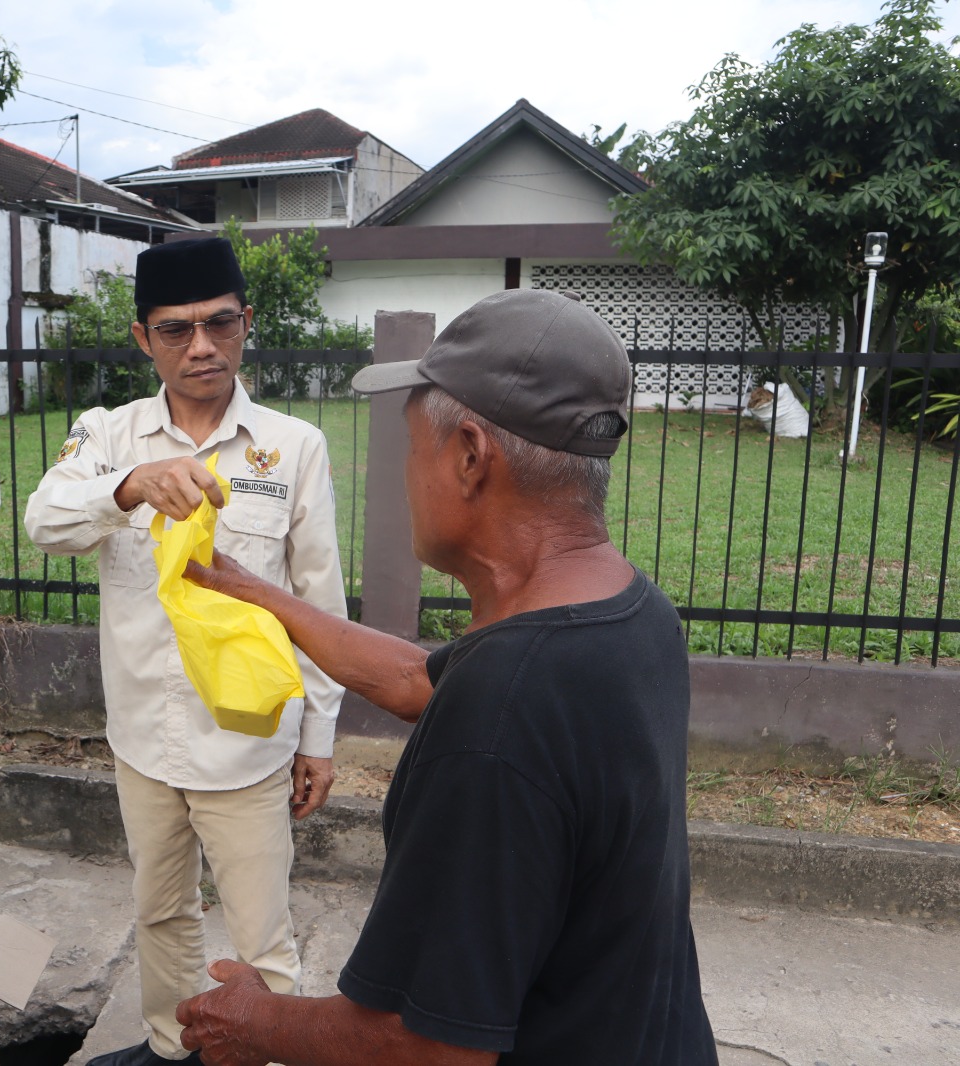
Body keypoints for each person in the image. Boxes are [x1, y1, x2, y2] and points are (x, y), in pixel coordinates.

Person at [173, 289, 718, 1065]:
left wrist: (257, 1022)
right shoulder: (631, 612)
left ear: (469, 456)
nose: (404, 474)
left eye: (410, 447)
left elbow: (432, 1048)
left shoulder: (499, 716)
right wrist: (259, 594)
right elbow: (413, 680)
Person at [24, 237, 347, 1066]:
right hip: (143, 736)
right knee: (160, 913)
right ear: (143, 337)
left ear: (247, 323)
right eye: (176, 330)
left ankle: (263, 1052)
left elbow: (319, 604)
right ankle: (173, 1048)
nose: (201, 346)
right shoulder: (107, 435)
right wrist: (130, 486)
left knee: (261, 935)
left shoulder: (293, 447)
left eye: (219, 324)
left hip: (246, 742)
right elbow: (44, 520)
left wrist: (317, 737)